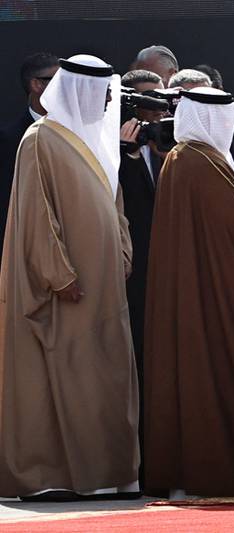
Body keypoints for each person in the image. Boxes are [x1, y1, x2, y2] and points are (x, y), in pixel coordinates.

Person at [0, 54, 140, 500]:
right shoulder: (40, 139)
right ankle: (57, 476)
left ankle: (108, 473)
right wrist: (57, 273)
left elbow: (114, 203)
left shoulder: (97, 138)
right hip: (66, 287)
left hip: (106, 284)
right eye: (100, 94)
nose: (107, 102)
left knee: (106, 376)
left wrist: (122, 251)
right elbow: (35, 214)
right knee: (65, 375)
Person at [143, 87, 234, 498]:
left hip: (198, 285)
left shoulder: (181, 158)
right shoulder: (203, 163)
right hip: (222, 292)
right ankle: (228, 468)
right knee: (230, 369)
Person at [118, 69, 167, 488]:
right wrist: (127, 154)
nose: (154, 110)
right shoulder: (113, 146)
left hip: (169, 274)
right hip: (131, 276)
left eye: (160, 101)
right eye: (145, 101)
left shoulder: (173, 144)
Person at [0, 52, 59, 266]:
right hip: (26, 253)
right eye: (59, 82)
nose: (67, 89)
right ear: (37, 85)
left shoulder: (80, 133)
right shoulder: (10, 139)